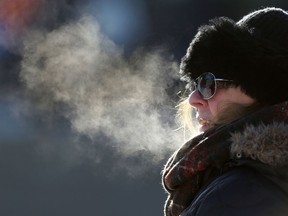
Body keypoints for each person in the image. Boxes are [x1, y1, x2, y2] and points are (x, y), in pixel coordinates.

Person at [162, 7, 288, 216]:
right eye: (196, 83)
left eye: (209, 84)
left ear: (260, 87)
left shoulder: (239, 196)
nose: (194, 99)